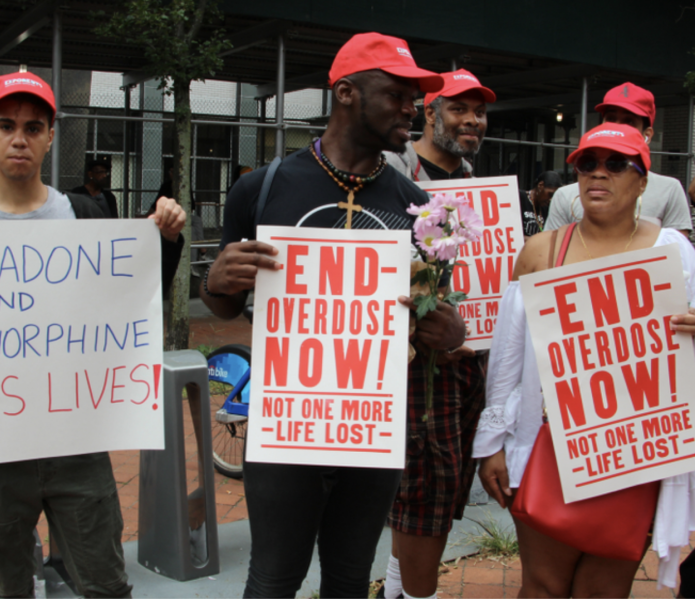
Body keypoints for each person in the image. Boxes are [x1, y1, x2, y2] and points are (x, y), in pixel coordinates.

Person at [201, 32, 466, 598]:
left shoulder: (420, 210)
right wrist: (215, 282)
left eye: (414, 97)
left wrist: (448, 331)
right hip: (286, 427)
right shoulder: (260, 190)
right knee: (273, 580)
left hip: (371, 430)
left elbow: (433, 318)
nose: (410, 108)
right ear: (346, 93)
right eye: (396, 94)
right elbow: (225, 306)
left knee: (348, 580)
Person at [0, 71, 185, 599]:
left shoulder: (86, 215)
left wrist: (162, 240)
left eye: (32, 127)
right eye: (7, 125)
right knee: (9, 586)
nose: (19, 138)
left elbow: (129, 304)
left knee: (104, 583)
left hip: (77, 441)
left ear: (50, 136)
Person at [473, 122, 695, 597]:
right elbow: (507, 358)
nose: (598, 174)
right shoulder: (541, 252)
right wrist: (491, 444)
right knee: (543, 585)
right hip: (548, 445)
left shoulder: (674, 253)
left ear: (642, 182)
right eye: (587, 164)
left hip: (637, 451)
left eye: (616, 165)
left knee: (605, 590)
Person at [380, 69, 494, 600]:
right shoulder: (394, 175)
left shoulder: (475, 182)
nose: (473, 120)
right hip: (420, 366)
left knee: (443, 491)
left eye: (480, 112)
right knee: (425, 491)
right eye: (459, 109)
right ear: (430, 113)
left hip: (469, 359)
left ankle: (396, 588)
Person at [544, 83, 692, 236]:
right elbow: (550, 248)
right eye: (611, 119)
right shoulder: (564, 196)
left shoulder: (669, 190)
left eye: (629, 121)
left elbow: (676, 248)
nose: (617, 128)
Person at [519, 171, 563, 237]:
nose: (551, 199)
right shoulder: (520, 197)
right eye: (550, 194)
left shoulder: (547, 208)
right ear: (540, 186)